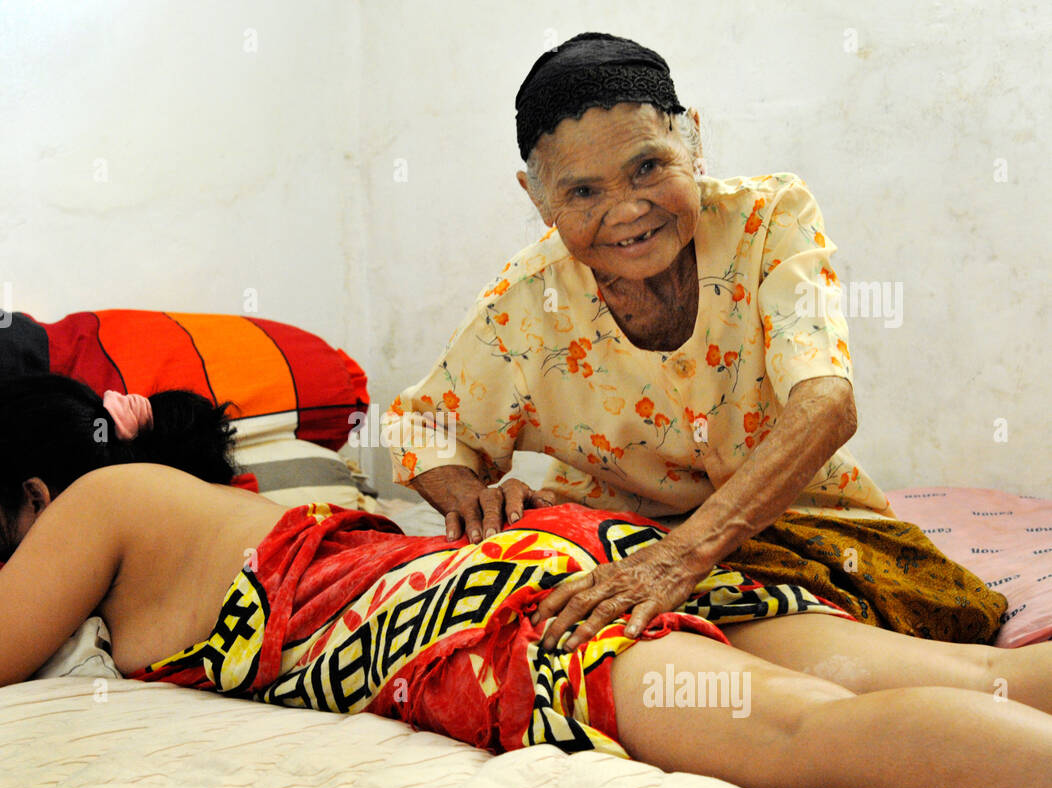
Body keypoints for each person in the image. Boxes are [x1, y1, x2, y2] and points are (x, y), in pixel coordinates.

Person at [0, 374, 1052, 788]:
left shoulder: (100, 504)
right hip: (556, 556)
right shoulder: (213, 497)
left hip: (461, 618)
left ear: (29, 495)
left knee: (799, 739)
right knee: (961, 680)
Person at [380, 32, 1006, 652]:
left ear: (693, 140)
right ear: (538, 198)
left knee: (914, 632)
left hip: (803, 524)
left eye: (648, 167)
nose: (627, 211)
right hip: (619, 547)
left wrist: (680, 558)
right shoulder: (524, 302)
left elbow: (826, 402)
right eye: (583, 192)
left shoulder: (768, 220)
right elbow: (422, 427)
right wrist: (476, 498)